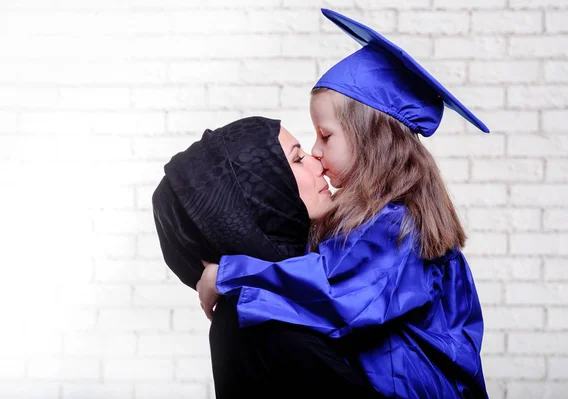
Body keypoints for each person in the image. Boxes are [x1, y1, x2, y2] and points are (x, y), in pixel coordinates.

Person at [196, 8, 490, 399]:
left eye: (325, 136)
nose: (316, 153)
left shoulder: (400, 226)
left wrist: (229, 275)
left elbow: (332, 292)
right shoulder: (373, 222)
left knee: (246, 323)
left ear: (373, 141)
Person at [152, 116, 384, 399]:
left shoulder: (279, 294)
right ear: (259, 192)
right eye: (298, 159)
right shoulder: (259, 317)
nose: (317, 162)